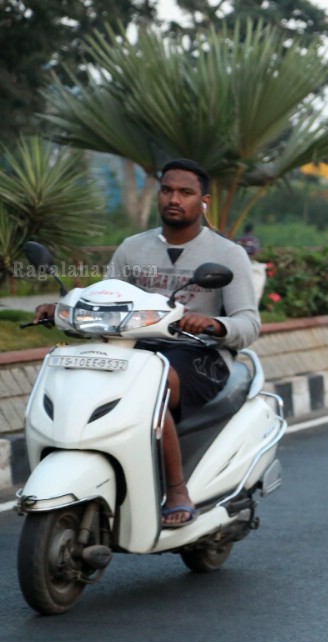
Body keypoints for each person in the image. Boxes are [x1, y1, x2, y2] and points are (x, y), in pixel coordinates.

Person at [36, 159, 261, 528]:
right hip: (135, 350)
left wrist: (214, 324)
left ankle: (176, 490)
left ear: (202, 201)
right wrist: (60, 309)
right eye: (167, 190)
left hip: (199, 354)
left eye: (185, 192)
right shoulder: (131, 248)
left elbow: (249, 323)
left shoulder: (227, 254)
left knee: (152, 386)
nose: (174, 198)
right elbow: (105, 299)